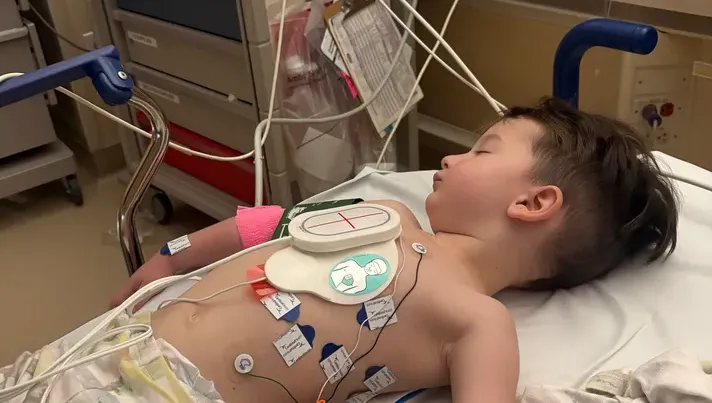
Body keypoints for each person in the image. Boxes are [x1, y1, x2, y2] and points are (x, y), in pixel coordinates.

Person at [3, 98, 677, 403]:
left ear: (533, 203)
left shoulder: (479, 322)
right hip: (103, 346)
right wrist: (174, 255)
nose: (448, 158)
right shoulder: (388, 213)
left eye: (482, 151)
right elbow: (269, 225)